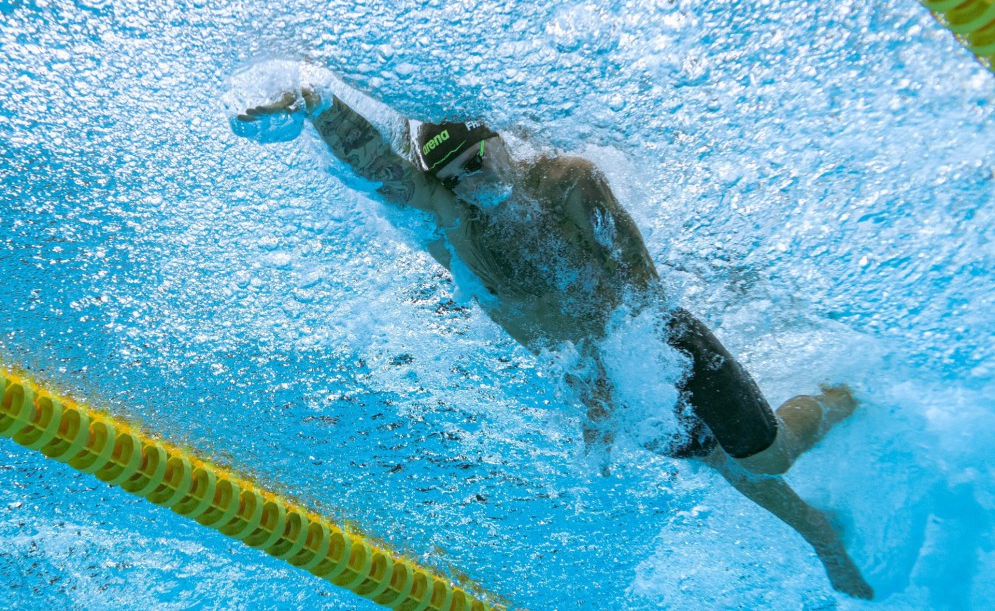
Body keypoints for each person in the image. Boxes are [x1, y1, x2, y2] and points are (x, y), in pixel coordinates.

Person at [226, 60, 874, 600]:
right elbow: (385, 177)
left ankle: (842, 393)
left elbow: (638, 284)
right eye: (454, 179)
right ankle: (821, 533)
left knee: (768, 456)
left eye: (477, 164)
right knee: (715, 461)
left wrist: (605, 379)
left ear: (501, 146)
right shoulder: (453, 221)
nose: (471, 186)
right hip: (595, 374)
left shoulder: (567, 182)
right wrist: (317, 106)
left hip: (653, 344)